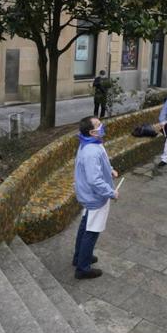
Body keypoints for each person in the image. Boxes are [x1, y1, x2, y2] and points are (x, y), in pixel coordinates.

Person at [72, 116, 118, 279]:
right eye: (99, 125)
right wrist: (111, 192)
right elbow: (94, 179)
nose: (102, 126)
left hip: (87, 194)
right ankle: (83, 268)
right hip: (94, 197)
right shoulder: (92, 151)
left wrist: (110, 169)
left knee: (86, 225)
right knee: (92, 231)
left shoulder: (90, 142)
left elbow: (100, 163)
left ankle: (80, 257)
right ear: (92, 131)